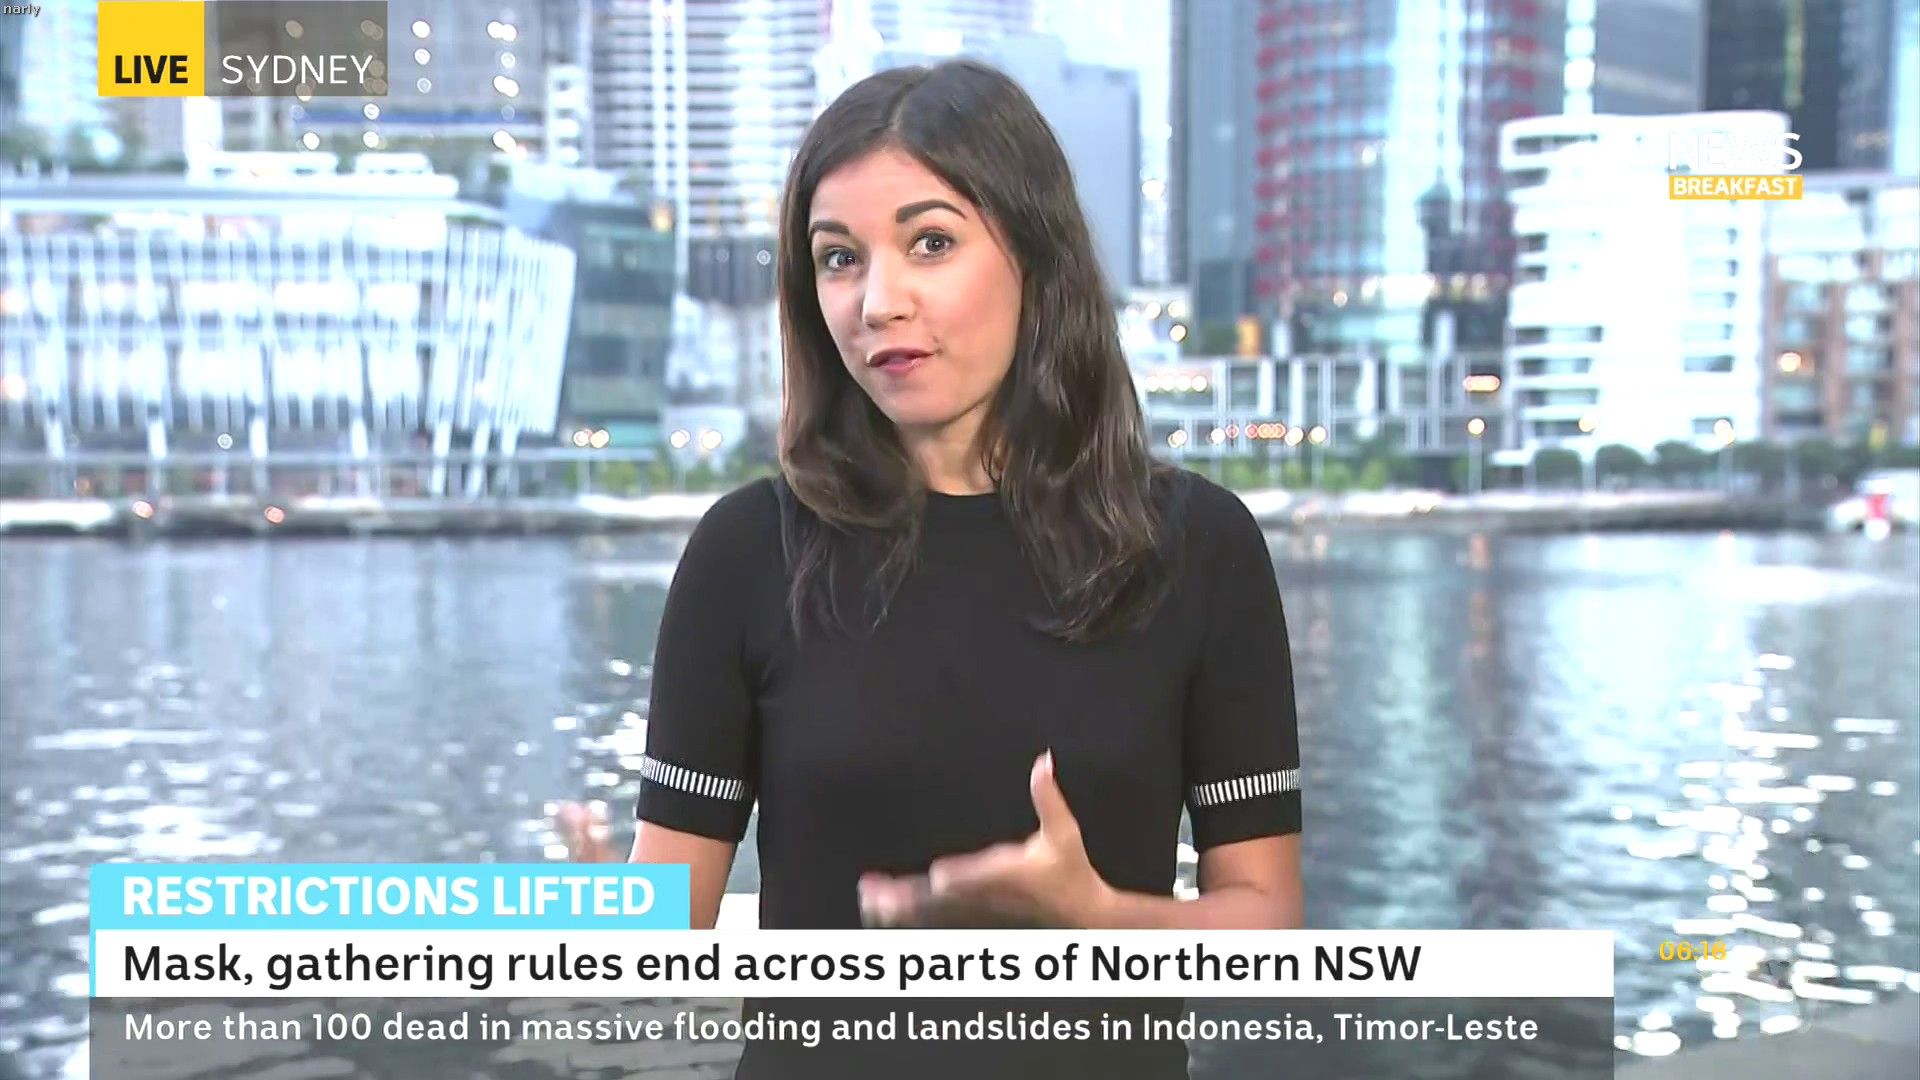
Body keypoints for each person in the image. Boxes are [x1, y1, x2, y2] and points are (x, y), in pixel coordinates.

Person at [558, 59, 1302, 1079]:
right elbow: (663, 938)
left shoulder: (1199, 547)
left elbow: (1269, 932)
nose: (877, 302)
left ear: (1035, 253)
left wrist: (1102, 920)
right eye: (838, 259)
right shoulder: (745, 553)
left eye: (932, 243)